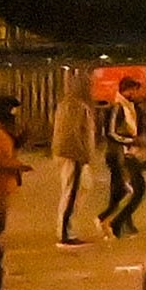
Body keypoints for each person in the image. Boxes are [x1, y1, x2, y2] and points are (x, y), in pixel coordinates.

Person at [50, 81, 102, 244]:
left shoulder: (74, 105)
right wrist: (81, 154)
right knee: (71, 193)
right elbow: (72, 133)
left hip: (74, 154)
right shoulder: (73, 106)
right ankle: (65, 233)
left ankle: (68, 227)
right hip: (73, 154)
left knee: (84, 186)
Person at [97, 80, 146, 237]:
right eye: (134, 90)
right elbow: (111, 133)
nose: (136, 94)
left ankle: (112, 220)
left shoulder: (133, 108)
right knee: (137, 189)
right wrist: (132, 141)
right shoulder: (117, 108)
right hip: (119, 155)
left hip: (129, 154)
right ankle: (115, 222)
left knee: (121, 191)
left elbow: (137, 128)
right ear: (127, 90)